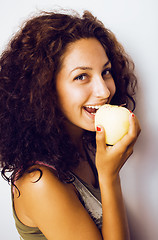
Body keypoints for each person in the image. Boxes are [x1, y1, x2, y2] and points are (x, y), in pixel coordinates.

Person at [0, 10, 141, 240]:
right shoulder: (39, 182)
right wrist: (110, 177)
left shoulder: (88, 145)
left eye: (105, 72)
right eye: (81, 76)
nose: (104, 91)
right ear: (45, 88)